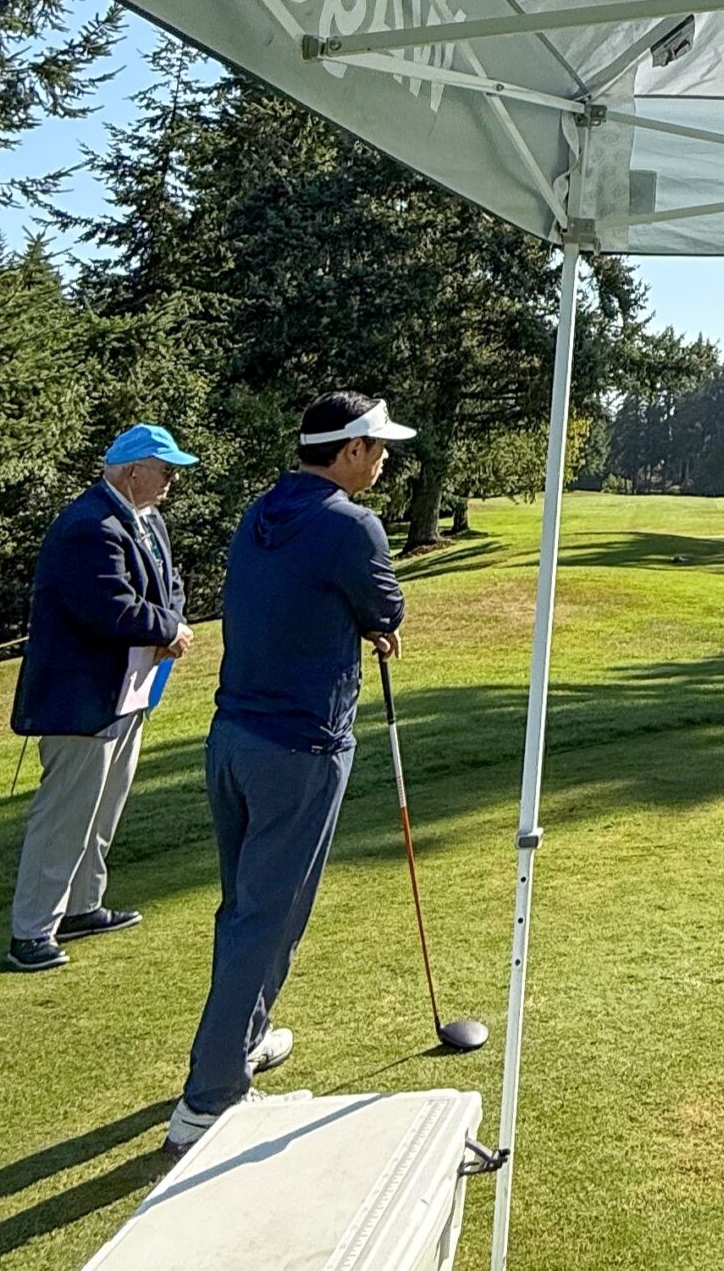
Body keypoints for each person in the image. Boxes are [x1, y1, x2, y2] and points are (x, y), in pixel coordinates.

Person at [167, 391, 414, 1153]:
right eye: (375, 448)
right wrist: (373, 622)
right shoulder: (352, 524)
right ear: (345, 452)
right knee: (265, 915)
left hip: (232, 739)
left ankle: (242, 1037)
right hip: (299, 748)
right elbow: (389, 605)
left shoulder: (260, 510)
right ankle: (209, 1100)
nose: (383, 459)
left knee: (245, 906)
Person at [5, 424, 197, 972]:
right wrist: (168, 630)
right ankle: (31, 932)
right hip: (80, 696)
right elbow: (109, 605)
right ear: (133, 470)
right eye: (166, 471)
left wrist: (170, 622)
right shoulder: (88, 525)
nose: (171, 483)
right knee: (66, 813)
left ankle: (82, 905)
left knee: (103, 806)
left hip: (126, 691)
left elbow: (171, 588)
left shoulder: (146, 519)